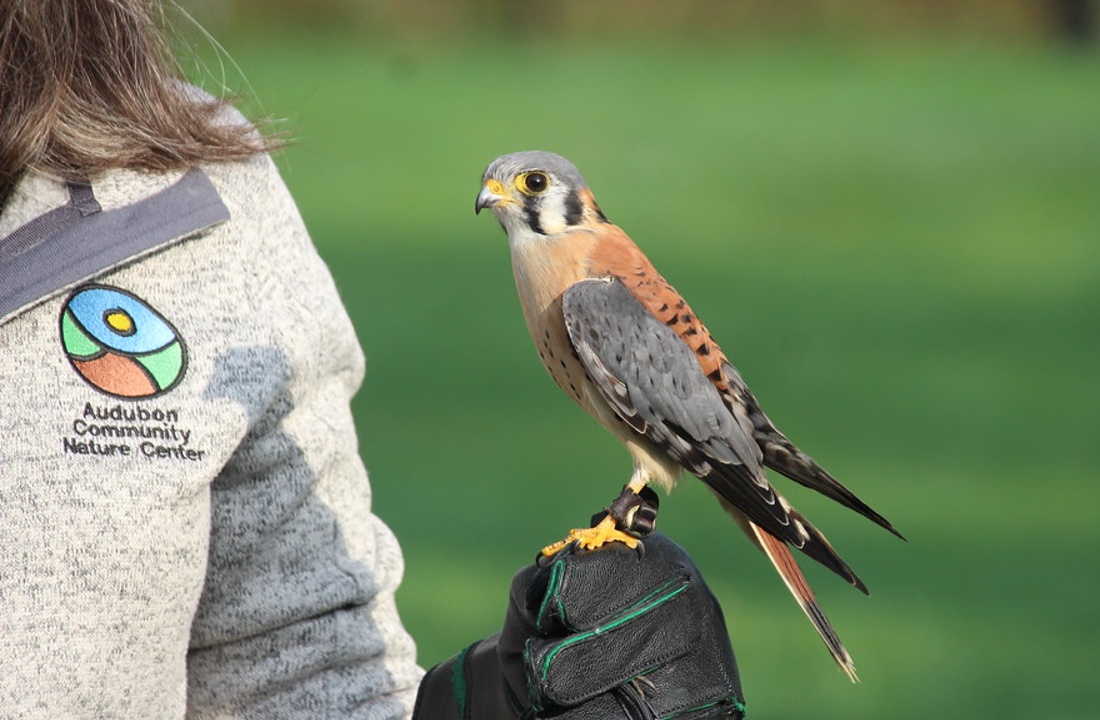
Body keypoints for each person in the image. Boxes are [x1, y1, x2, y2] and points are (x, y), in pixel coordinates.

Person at [0, 1, 743, 718]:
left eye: (528, 185)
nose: (495, 196)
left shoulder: (189, 175)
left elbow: (301, 658)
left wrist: (490, 708)